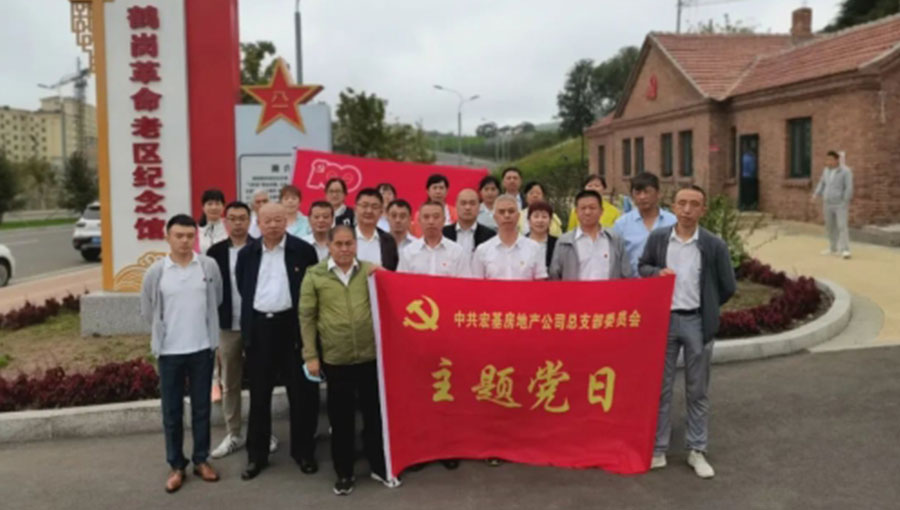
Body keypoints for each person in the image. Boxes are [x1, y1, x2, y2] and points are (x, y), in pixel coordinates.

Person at [638, 185, 736, 480]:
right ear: (673, 207)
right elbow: (642, 266)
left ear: (703, 210)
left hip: (696, 322)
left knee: (697, 390)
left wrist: (708, 305)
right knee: (661, 388)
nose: (687, 210)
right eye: (682, 203)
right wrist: (656, 273)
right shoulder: (659, 239)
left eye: (694, 204)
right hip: (664, 322)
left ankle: (697, 449)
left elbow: (727, 286)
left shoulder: (713, 244)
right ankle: (658, 448)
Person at [300, 225, 401, 496]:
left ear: (355, 245)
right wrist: (311, 356)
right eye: (339, 244)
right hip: (337, 359)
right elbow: (306, 317)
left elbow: (396, 293)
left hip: (369, 356)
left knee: (374, 415)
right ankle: (344, 473)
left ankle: (379, 465)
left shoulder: (370, 271)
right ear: (329, 246)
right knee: (341, 419)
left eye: (349, 244)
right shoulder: (315, 275)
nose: (345, 249)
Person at [234, 203, 321, 480]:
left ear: (287, 221)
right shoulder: (247, 253)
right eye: (267, 220)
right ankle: (256, 456)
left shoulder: (303, 251)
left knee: (301, 394)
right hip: (260, 329)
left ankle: (304, 452)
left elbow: (312, 289)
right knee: (259, 396)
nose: (273, 225)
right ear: (258, 223)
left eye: (278, 220)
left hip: (293, 328)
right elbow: (243, 287)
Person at [140, 214, 223, 493]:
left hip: (201, 348)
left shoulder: (208, 266)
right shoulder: (157, 272)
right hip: (170, 352)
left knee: (202, 409)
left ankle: (201, 460)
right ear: (168, 238)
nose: (185, 241)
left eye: (189, 236)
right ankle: (176, 465)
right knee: (172, 412)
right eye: (179, 236)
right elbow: (148, 310)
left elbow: (217, 299)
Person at [207, 202, 254, 459]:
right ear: (226, 222)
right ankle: (234, 433)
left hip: (256, 325)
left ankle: (261, 432)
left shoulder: (260, 248)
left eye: (242, 218)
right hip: (227, 326)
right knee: (230, 382)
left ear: (250, 220)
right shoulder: (215, 253)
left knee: (260, 382)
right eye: (233, 218)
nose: (238, 223)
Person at [550, 190, 631, 281]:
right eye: (583, 208)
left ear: (601, 211)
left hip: (609, 290)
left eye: (592, 208)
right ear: (576, 212)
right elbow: (555, 275)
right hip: (575, 290)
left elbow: (626, 273)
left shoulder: (615, 239)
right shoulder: (564, 242)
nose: (587, 212)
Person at [612, 172, 676, 276]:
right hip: (633, 282)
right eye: (638, 193)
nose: (642, 197)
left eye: (647, 192)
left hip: (665, 280)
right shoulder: (621, 224)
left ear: (658, 193)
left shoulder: (673, 222)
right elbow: (615, 257)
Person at [471, 194, 547, 281]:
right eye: (501, 212)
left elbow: (541, 284)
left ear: (518, 216)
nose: (507, 215)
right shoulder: (482, 251)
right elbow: (476, 285)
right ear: (495, 217)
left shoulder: (534, 248)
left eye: (511, 211)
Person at [399, 201, 469, 278]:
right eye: (426, 217)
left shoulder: (457, 252)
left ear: (444, 220)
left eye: (436, 217)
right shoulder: (408, 252)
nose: (431, 222)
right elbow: (402, 282)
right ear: (419, 221)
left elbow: (464, 283)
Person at [811, 150, 853, 259]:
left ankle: (845, 250)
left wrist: (845, 201)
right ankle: (833, 247)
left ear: (836, 160)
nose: (828, 162)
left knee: (841, 226)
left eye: (830, 159)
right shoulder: (826, 170)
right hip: (827, 203)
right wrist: (816, 195)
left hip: (840, 204)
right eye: (827, 159)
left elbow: (849, 188)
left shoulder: (845, 171)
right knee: (830, 226)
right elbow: (822, 183)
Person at [354, 188, 399, 270]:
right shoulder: (344, 236)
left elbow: (392, 271)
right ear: (355, 208)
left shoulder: (389, 240)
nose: (369, 211)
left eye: (374, 207)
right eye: (364, 206)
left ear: (381, 211)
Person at [443, 188, 495, 255]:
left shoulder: (490, 236)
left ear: (479, 207)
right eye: (463, 203)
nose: (467, 207)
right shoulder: (443, 234)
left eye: (472, 203)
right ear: (456, 205)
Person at [525, 201, 557, 271]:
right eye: (536, 216)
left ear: (550, 221)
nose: (540, 220)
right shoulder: (520, 243)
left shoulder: (557, 244)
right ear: (529, 221)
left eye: (544, 217)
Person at [198, 189, 228, 254]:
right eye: (210, 204)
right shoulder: (196, 230)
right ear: (203, 207)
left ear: (223, 207)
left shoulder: (230, 227)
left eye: (217, 204)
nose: (214, 207)